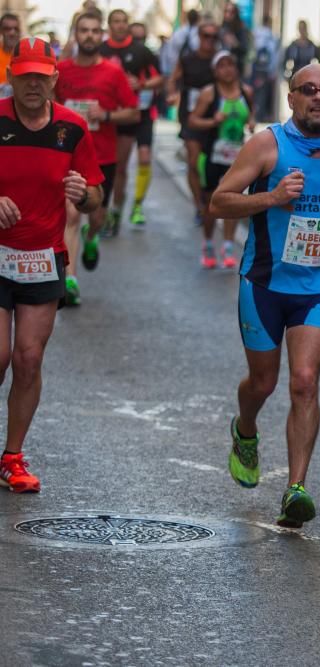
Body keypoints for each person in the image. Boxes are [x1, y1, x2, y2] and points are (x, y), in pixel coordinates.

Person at [210, 63, 320, 527]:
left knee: (304, 380)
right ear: (291, 98)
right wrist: (271, 196)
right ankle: (245, 430)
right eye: (308, 90)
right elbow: (219, 201)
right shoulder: (267, 145)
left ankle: (295, 489)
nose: (318, 98)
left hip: (316, 287)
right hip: (262, 284)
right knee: (262, 384)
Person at [0, 37, 103, 492]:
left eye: (42, 76)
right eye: (25, 77)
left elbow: (97, 195)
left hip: (43, 258)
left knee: (28, 357)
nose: (34, 84)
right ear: (11, 78)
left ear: (54, 78)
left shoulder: (73, 128)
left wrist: (85, 193)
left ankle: (12, 457)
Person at [55, 11, 139, 306]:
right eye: (83, 30)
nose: (89, 36)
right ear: (75, 34)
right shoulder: (61, 70)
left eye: (94, 31)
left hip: (102, 154)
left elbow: (133, 111)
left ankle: (93, 238)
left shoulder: (113, 73)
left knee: (97, 215)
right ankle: (71, 278)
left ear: (100, 35)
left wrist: (105, 115)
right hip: (66, 153)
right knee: (72, 213)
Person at [187, 50, 254, 269]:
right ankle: (207, 243)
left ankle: (227, 245)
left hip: (236, 157)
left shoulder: (246, 91)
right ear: (215, 71)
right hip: (212, 156)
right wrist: (212, 121)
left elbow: (251, 114)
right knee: (211, 204)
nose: (227, 69)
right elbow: (193, 121)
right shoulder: (209, 94)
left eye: (230, 64)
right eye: (222, 65)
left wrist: (251, 123)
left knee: (233, 202)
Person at [100, 9, 162, 232]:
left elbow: (160, 79)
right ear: (109, 24)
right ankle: (109, 210)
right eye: (115, 21)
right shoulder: (101, 49)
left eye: (123, 21)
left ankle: (128, 207)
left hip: (139, 113)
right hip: (110, 116)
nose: (120, 25)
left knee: (133, 162)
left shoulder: (141, 50)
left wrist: (142, 84)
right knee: (111, 167)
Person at [167, 20, 218, 225]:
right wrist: (172, 94)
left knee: (212, 165)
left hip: (214, 118)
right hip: (190, 117)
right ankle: (198, 205)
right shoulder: (188, 59)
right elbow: (173, 79)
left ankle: (209, 199)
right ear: (199, 36)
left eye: (214, 37)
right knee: (193, 161)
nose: (209, 40)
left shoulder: (220, 60)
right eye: (206, 35)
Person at [250, 16, 279, 123]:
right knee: (262, 93)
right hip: (264, 70)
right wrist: (272, 71)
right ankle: (259, 115)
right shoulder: (270, 36)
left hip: (257, 68)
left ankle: (257, 114)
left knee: (256, 92)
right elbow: (273, 54)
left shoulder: (256, 33)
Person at [220, 2, 249, 76]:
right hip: (221, 67)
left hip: (236, 68)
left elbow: (244, 49)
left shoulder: (241, 29)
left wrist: (235, 44)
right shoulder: (222, 28)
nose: (228, 14)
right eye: (226, 11)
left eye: (231, 12)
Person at [0, 13, 20, 99]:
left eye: (16, 29)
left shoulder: (26, 55)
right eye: (7, 29)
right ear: (1, 31)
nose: (12, 33)